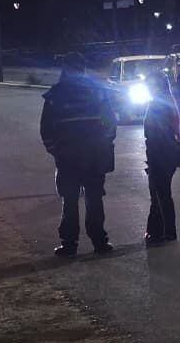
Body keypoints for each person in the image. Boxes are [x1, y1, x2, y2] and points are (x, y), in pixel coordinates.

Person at [40, 52, 117, 257]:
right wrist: (105, 143)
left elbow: (46, 128)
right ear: (83, 68)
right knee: (94, 198)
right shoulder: (97, 91)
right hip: (94, 155)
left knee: (70, 199)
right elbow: (111, 121)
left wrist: (56, 150)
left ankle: (69, 244)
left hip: (68, 157)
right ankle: (100, 242)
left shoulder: (56, 94)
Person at [143, 70, 180, 246]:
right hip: (168, 154)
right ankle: (158, 231)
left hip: (159, 154)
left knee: (160, 194)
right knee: (160, 193)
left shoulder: (157, 105)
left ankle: (164, 231)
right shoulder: (169, 102)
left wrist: (153, 159)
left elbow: (154, 134)